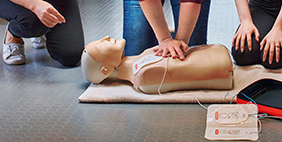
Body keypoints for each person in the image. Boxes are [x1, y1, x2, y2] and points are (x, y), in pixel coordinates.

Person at [81, 36, 233, 94]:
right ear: (105, 69)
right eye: (100, 45)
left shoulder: (142, 58)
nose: (106, 37)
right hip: (222, 65)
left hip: (219, 56)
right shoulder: (143, 76)